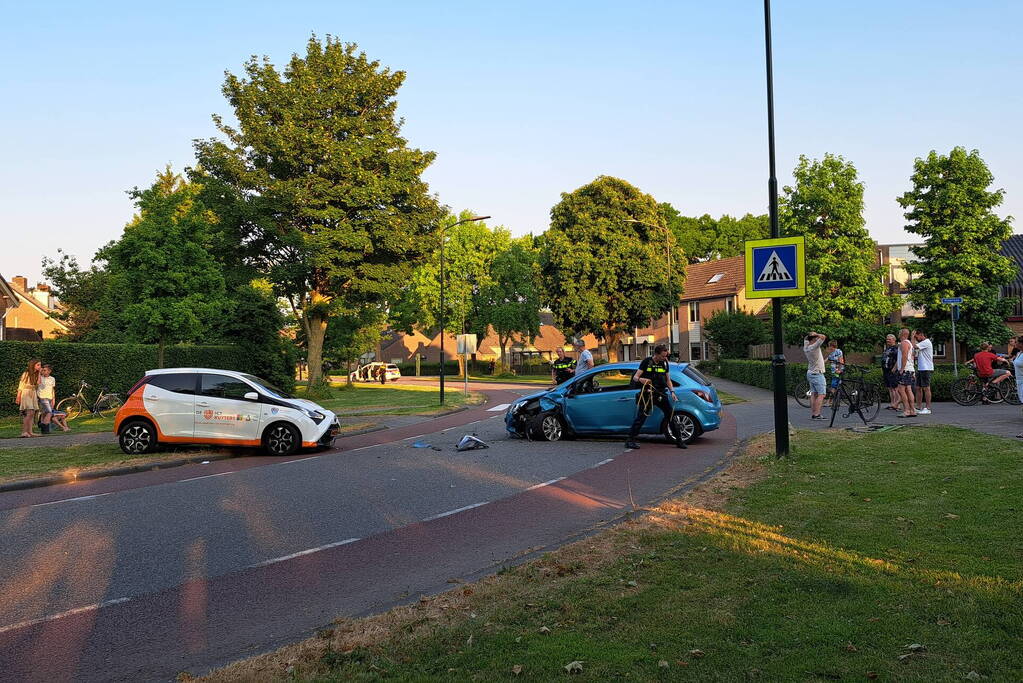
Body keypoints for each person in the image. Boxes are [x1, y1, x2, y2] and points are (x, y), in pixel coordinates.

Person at [624, 344, 685, 450]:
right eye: (663, 356)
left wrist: (672, 392)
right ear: (656, 354)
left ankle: (679, 440)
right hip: (648, 394)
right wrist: (641, 380)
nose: (665, 358)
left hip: (661, 394)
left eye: (666, 356)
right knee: (641, 417)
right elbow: (635, 377)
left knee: (670, 415)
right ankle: (630, 440)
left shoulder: (665, 363)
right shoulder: (647, 362)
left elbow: (668, 380)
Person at [803, 331, 827, 420]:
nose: (817, 338)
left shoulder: (806, 347)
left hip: (810, 372)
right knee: (822, 394)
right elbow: (823, 336)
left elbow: (806, 338)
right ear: (813, 339)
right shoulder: (814, 346)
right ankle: (817, 414)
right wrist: (816, 335)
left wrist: (811, 335)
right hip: (817, 373)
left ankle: (814, 413)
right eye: (815, 337)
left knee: (814, 394)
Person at [15, 359, 42, 437]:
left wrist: (39, 373)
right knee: (28, 413)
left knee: (32, 413)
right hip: (26, 393)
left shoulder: (36, 374)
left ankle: (30, 432)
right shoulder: (26, 373)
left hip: (33, 393)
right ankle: (24, 432)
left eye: (40, 365)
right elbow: (21, 385)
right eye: (38, 365)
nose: (40, 366)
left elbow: (38, 383)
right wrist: (18, 396)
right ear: (33, 365)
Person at [895, 328, 917, 417]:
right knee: (908, 390)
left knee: (901, 390)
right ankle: (912, 410)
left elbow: (904, 356)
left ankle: (907, 410)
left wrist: (901, 369)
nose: (898, 334)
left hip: (905, 370)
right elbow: (911, 357)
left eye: (899, 332)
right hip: (910, 369)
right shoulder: (909, 344)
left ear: (902, 334)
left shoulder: (904, 343)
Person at [913, 330, 934, 414]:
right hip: (921, 368)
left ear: (921, 335)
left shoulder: (926, 342)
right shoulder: (922, 343)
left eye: (917, 336)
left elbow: (914, 346)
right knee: (918, 388)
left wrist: (912, 337)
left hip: (926, 368)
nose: (916, 338)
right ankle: (918, 407)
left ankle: (928, 408)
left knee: (926, 388)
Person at [881, 333, 901, 411]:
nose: (887, 340)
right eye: (887, 339)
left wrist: (894, 368)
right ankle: (892, 403)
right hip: (886, 370)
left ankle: (897, 405)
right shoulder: (887, 349)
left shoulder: (896, 349)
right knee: (890, 388)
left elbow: (898, 359)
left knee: (895, 388)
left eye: (889, 339)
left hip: (892, 370)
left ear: (894, 340)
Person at [37, 363, 56, 434]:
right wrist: (39, 372)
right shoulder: (40, 377)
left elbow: (52, 389)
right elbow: (37, 383)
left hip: (50, 397)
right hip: (42, 397)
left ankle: (43, 428)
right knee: (49, 412)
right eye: (43, 370)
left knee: (44, 413)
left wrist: (53, 399)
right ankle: (45, 427)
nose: (43, 371)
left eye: (45, 370)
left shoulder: (52, 379)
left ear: (49, 371)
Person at [824, 339, 845, 407]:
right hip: (833, 372)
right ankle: (835, 401)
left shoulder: (838, 351)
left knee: (833, 386)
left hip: (837, 371)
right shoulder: (831, 353)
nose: (828, 347)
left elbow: (841, 361)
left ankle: (829, 402)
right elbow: (827, 360)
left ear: (832, 346)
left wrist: (839, 370)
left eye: (829, 346)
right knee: (835, 386)